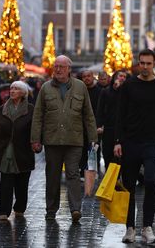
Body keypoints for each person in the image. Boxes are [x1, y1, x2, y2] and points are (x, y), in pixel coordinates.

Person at [114, 49, 155, 244]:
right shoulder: (129, 85)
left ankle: (147, 227)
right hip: (130, 142)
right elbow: (120, 114)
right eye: (142, 63)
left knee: (151, 182)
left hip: (152, 143)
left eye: (148, 63)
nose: (144, 67)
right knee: (129, 187)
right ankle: (129, 228)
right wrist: (118, 141)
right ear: (138, 63)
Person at [31, 55, 97, 223]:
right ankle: (51, 209)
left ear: (69, 69)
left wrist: (93, 138)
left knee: (73, 174)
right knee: (52, 175)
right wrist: (35, 139)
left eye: (61, 66)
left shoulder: (80, 87)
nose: (58, 69)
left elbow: (88, 114)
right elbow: (38, 115)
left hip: (74, 139)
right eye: (56, 66)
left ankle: (75, 209)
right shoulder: (46, 88)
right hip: (52, 139)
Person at [0, 81, 35, 220]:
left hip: (23, 151)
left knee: (22, 182)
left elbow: (35, 129)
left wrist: (36, 142)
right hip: (5, 150)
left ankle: (19, 208)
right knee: (5, 182)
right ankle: (3, 211)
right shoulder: (2, 109)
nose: (12, 91)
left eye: (16, 89)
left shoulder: (30, 109)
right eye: (11, 88)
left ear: (23, 93)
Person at [96, 70, 128, 170]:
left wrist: (121, 89)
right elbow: (100, 110)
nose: (122, 78)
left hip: (124, 128)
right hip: (109, 127)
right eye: (120, 76)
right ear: (114, 77)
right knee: (108, 153)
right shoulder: (105, 91)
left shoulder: (127, 91)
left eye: (124, 77)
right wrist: (99, 125)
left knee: (123, 155)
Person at [80, 70, 102, 175]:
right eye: (84, 76)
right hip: (81, 126)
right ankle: (82, 171)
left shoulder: (99, 91)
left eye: (88, 76)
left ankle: (93, 172)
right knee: (82, 150)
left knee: (94, 150)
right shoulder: (80, 91)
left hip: (95, 126)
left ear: (93, 77)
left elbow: (101, 110)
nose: (86, 78)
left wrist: (99, 125)